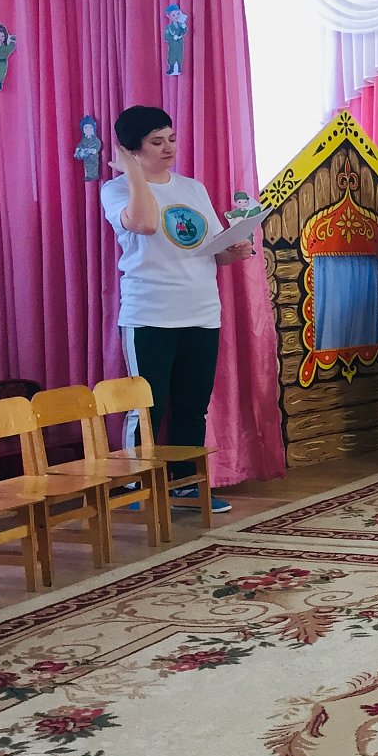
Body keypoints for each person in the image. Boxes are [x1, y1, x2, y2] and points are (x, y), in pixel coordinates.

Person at [101, 105, 254, 514]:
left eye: (171, 138)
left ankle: (186, 484)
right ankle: (137, 484)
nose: (169, 147)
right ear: (131, 149)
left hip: (201, 311)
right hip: (150, 312)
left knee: (192, 405)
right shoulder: (116, 190)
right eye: (156, 142)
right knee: (148, 406)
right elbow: (146, 224)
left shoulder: (193, 188)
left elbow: (212, 252)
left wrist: (234, 250)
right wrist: (134, 172)